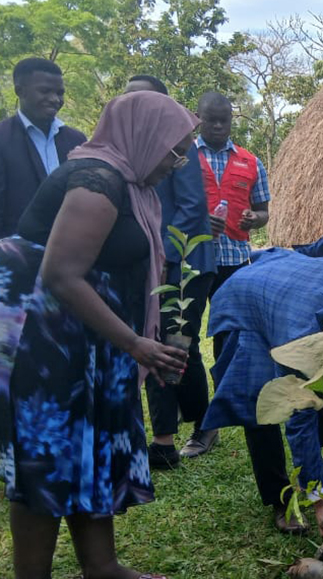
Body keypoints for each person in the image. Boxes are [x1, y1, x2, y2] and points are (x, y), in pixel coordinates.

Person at [0, 91, 197, 579]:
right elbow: (62, 275)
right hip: (49, 343)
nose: (176, 163)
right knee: (48, 457)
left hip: (89, 338)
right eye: (174, 151)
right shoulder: (98, 180)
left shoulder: (129, 183)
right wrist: (134, 343)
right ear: (143, 136)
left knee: (88, 446)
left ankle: (102, 566)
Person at [202, 231, 323, 534]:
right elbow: (299, 423)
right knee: (259, 405)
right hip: (246, 298)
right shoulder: (297, 340)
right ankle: (280, 500)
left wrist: (305, 253)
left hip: (286, 277)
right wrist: (319, 498)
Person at [122, 75, 219, 470]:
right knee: (161, 342)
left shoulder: (181, 144)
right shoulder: (128, 146)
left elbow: (193, 207)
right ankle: (176, 432)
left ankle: (193, 427)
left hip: (185, 263)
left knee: (174, 343)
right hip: (149, 262)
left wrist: (163, 256)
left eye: (141, 98)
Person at [194, 90, 271, 454]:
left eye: (223, 120)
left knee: (228, 341)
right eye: (210, 120)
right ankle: (201, 422)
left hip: (235, 262)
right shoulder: (183, 158)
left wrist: (256, 218)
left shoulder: (250, 161)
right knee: (185, 339)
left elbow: (264, 211)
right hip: (192, 259)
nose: (217, 126)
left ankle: (223, 413)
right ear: (198, 118)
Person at [0, 57, 86, 237]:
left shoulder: (76, 140)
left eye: (60, 93)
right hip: (14, 248)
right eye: (45, 91)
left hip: (70, 245)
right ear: (20, 91)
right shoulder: (3, 137)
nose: (55, 99)